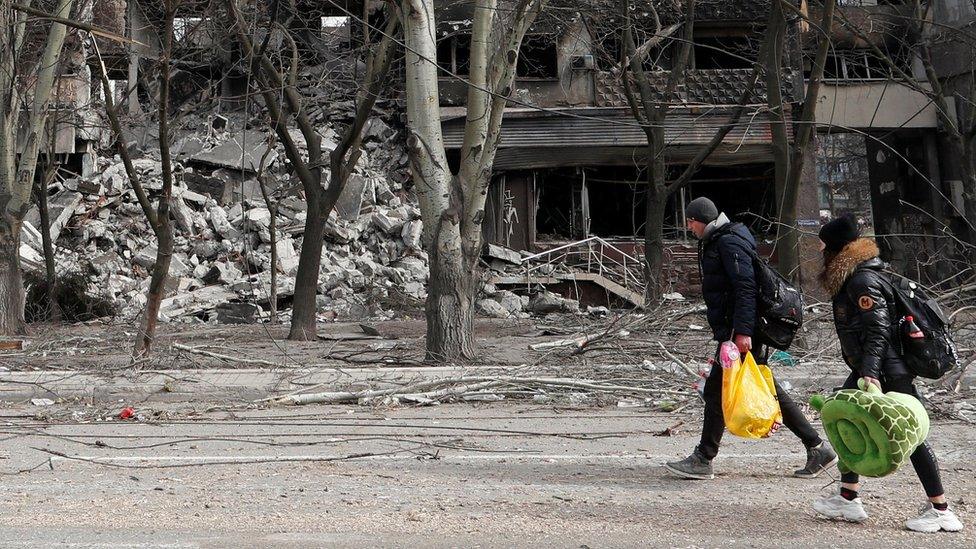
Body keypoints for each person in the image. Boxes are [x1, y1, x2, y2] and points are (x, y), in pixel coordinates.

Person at [665, 197, 837, 480]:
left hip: (741, 332)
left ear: (699, 219)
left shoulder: (727, 242)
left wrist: (742, 332)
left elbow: (745, 288)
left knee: (717, 391)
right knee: (753, 389)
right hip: (735, 330)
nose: (689, 227)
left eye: (690, 222)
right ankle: (816, 447)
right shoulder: (719, 239)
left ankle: (704, 458)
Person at [812, 214, 963, 533]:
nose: (819, 247)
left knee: (913, 435)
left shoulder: (862, 281)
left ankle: (941, 510)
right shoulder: (855, 276)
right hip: (873, 368)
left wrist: (870, 373)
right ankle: (848, 497)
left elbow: (878, 330)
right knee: (846, 420)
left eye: (824, 242)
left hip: (886, 371)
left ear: (836, 246)